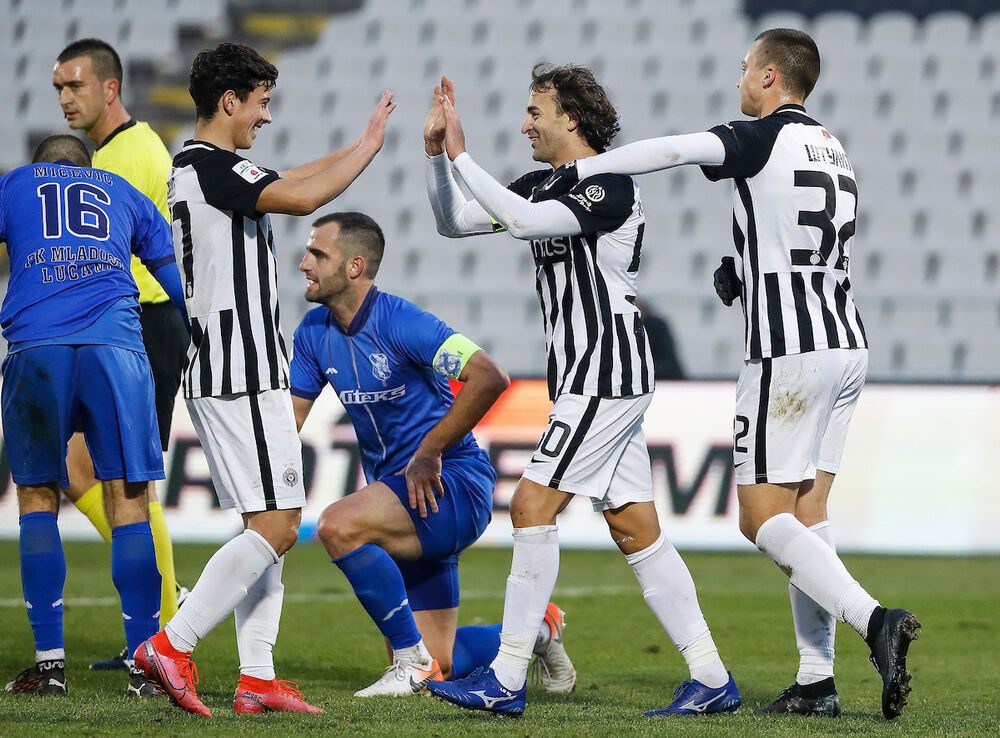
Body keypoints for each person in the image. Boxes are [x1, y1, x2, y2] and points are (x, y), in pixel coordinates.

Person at [553, 28, 920, 720]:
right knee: (808, 513)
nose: (741, 77)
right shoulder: (833, 148)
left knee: (760, 517)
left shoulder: (761, 137)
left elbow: (675, 150)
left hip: (788, 351)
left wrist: (583, 170)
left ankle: (876, 620)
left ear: (772, 77)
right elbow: (804, 240)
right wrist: (744, 271)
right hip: (846, 342)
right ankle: (816, 682)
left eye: (748, 66)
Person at [422, 67, 741, 717]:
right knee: (634, 527)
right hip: (585, 375)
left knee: (531, 506)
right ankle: (711, 678)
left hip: (606, 370)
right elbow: (455, 222)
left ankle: (506, 677)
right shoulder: (542, 184)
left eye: (534, 112)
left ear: (571, 119)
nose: (524, 125)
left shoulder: (609, 184)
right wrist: (437, 157)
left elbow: (524, 224)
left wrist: (462, 153)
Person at [131, 42, 395, 718]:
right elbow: (301, 195)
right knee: (278, 525)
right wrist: (370, 150)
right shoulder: (212, 167)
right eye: (261, 103)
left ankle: (257, 679)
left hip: (225, 365)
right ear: (230, 101)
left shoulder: (200, 168)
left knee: (264, 526)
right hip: (240, 367)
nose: (266, 116)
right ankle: (173, 644)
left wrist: (356, 144)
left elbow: (288, 176)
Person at [290, 211, 576, 698]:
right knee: (442, 664)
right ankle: (539, 631)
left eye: (318, 253)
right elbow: (289, 421)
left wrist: (429, 449)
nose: (304, 263)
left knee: (338, 526)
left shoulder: (403, 323)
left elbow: (490, 376)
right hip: (400, 497)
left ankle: (409, 662)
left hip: (452, 483)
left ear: (355, 266)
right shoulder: (313, 332)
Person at [0, 135, 188, 698]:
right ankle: (146, 669)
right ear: (89, 167)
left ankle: (49, 667)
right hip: (118, 349)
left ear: (39, 167)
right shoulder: (124, 191)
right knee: (129, 502)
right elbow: (175, 283)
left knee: (37, 497)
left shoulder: (13, 185)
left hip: (38, 347)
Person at [52, 36, 189, 672]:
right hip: (124, 328)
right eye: (58, 87)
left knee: (127, 482)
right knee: (82, 471)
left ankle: (164, 620)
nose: (64, 98)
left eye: (75, 85)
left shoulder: (125, 158)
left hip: (142, 325)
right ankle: (164, 601)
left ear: (110, 88)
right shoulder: (113, 153)